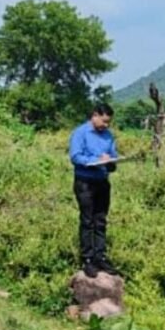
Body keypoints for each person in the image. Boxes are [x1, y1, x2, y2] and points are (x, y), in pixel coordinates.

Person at [69, 102, 120, 278]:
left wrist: (111, 161)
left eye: (108, 122)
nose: (106, 125)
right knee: (87, 221)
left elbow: (113, 155)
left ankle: (100, 257)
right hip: (85, 183)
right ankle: (87, 259)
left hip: (102, 182)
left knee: (100, 221)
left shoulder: (108, 135)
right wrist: (96, 159)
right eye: (104, 121)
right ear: (95, 115)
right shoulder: (80, 133)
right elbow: (75, 156)